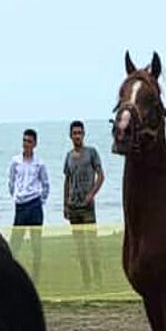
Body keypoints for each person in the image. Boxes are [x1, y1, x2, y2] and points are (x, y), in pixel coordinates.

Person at [64, 120, 104, 288]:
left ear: (84, 134)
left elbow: (101, 176)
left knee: (92, 244)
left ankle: (98, 279)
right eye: (74, 133)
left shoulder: (91, 153)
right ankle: (86, 280)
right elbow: (67, 180)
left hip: (87, 207)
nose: (77, 136)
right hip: (73, 206)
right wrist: (65, 204)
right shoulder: (69, 156)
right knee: (80, 248)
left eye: (79, 133)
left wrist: (92, 194)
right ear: (70, 136)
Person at [9, 128, 50, 282]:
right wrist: (16, 196)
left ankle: (36, 275)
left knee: (36, 244)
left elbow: (46, 185)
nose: (26, 144)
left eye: (29, 141)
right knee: (15, 243)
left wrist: (40, 201)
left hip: (34, 205)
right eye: (24, 141)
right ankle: (11, 273)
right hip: (20, 206)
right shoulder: (15, 161)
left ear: (35, 144)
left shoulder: (40, 164)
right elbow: (11, 182)